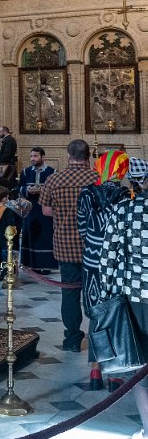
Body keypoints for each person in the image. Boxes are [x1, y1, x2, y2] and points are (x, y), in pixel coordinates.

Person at [99, 157, 148, 439]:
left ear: (132, 184)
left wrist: (107, 292)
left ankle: (147, 428)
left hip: (136, 295)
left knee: (142, 367)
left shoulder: (124, 210)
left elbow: (109, 257)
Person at [77, 150, 130, 391]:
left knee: (96, 310)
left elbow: (81, 228)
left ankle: (96, 368)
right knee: (116, 312)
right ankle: (115, 373)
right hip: (115, 262)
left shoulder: (86, 193)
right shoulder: (124, 195)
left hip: (91, 260)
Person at [40, 139, 99, 352]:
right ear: (89, 156)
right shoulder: (98, 178)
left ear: (68, 155)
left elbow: (45, 210)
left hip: (65, 244)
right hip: (95, 246)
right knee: (96, 293)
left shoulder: (54, 179)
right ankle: (97, 339)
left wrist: (65, 215)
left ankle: (73, 339)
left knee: (70, 294)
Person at [18, 147, 56, 272]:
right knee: (31, 235)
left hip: (45, 209)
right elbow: (18, 189)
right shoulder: (25, 172)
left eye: (35, 156)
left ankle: (46, 266)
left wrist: (42, 191)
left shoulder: (52, 172)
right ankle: (30, 264)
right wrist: (28, 190)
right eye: (31, 156)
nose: (32, 159)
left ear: (43, 157)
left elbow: (55, 190)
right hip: (31, 209)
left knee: (45, 237)